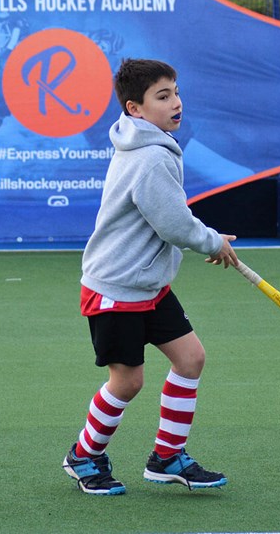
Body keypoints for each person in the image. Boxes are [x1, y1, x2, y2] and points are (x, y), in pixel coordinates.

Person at [62, 58, 239, 495]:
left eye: (176, 92)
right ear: (135, 108)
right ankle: (83, 456)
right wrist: (213, 242)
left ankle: (167, 457)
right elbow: (174, 225)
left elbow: (172, 216)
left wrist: (207, 238)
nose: (176, 103)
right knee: (127, 382)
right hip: (116, 289)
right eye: (163, 96)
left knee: (190, 358)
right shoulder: (150, 157)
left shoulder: (148, 142)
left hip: (150, 287)